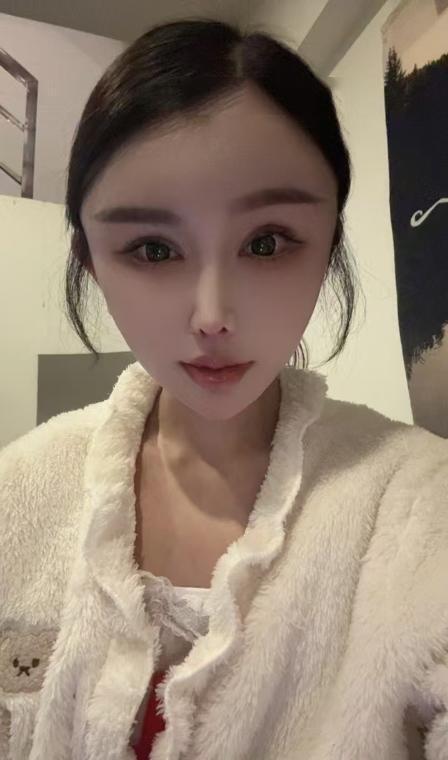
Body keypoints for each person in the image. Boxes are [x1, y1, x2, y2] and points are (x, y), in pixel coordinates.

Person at [0, 17, 447, 760]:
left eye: (266, 242)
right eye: (153, 248)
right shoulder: (16, 490)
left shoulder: (421, 507)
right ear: (90, 258)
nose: (211, 317)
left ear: (328, 244)